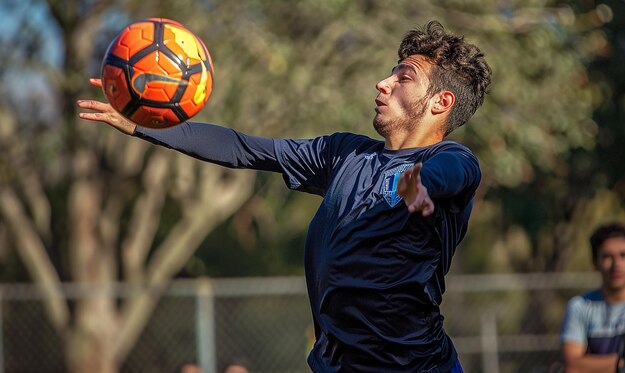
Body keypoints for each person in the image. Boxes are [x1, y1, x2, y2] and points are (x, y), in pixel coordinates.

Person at [78, 20, 491, 372]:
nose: (383, 83)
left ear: (441, 102)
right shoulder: (344, 154)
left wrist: (417, 187)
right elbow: (244, 149)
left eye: (403, 77)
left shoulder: (454, 158)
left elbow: (444, 176)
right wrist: (141, 123)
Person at [561, 223, 625, 373]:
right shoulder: (580, 306)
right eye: (607, 257)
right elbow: (573, 366)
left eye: (623, 255)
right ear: (595, 263)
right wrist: (621, 363)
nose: (617, 264)